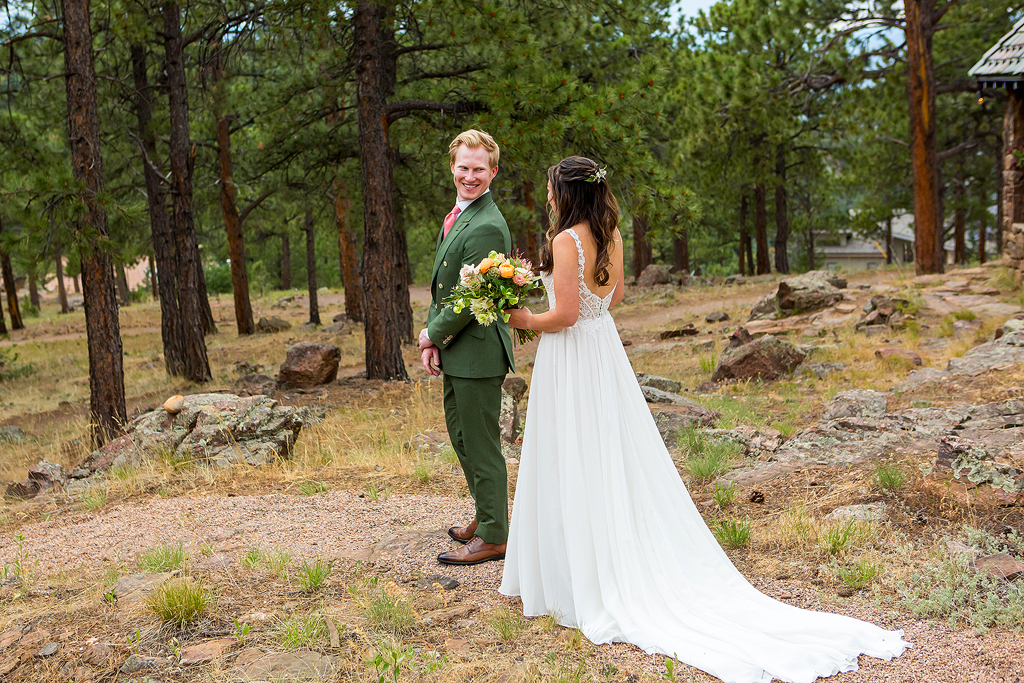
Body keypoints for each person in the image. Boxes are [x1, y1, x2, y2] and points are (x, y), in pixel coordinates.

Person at [499, 156, 909, 683]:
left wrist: (523, 317)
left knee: (571, 450)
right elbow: (613, 297)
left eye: (552, 189)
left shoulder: (564, 241)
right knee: (607, 449)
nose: (549, 197)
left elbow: (566, 315)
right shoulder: (611, 235)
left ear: (566, 193)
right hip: (604, 352)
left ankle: (576, 573)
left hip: (572, 355)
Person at [418, 129, 515, 566]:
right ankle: (486, 514)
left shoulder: (488, 224)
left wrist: (431, 335)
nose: (470, 177)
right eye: (464, 167)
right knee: (462, 436)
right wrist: (435, 339)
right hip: (458, 348)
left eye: (479, 169)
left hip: (476, 350)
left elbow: (471, 298)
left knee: (481, 444)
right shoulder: (459, 214)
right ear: (452, 167)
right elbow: (445, 289)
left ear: (493, 171)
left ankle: (495, 536)